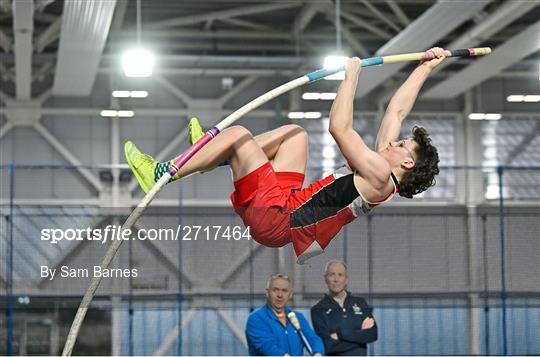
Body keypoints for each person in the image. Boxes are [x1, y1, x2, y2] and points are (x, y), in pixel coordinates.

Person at [124, 47, 443, 263]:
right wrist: (424, 68)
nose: (394, 142)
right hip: (287, 204)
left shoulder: (378, 176)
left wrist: (351, 76)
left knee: (237, 135)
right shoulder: (383, 173)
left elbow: (339, 128)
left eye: (401, 145)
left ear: (407, 163)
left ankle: (162, 173)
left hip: (277, 220)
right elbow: (396, 112)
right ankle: (212, 156)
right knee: (295, 136)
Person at [245, 274, 324, 356]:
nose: (280, 295)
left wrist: (318, 353)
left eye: (284, 290)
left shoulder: (298, 317)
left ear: (290, 295)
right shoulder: (256, 319)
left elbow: (313, 339)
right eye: (275, 290)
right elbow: (267, 346)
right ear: (267, 293)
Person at [311, 260, 376, 355]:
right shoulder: (317, 310)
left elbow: (372, 334)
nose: (336, 279)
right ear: (325, 279)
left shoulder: (361, 303)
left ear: (346, 279)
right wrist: (360, 336)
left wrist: (340, 335)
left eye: (340, 275)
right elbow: (327, 345)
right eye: (331, 275)